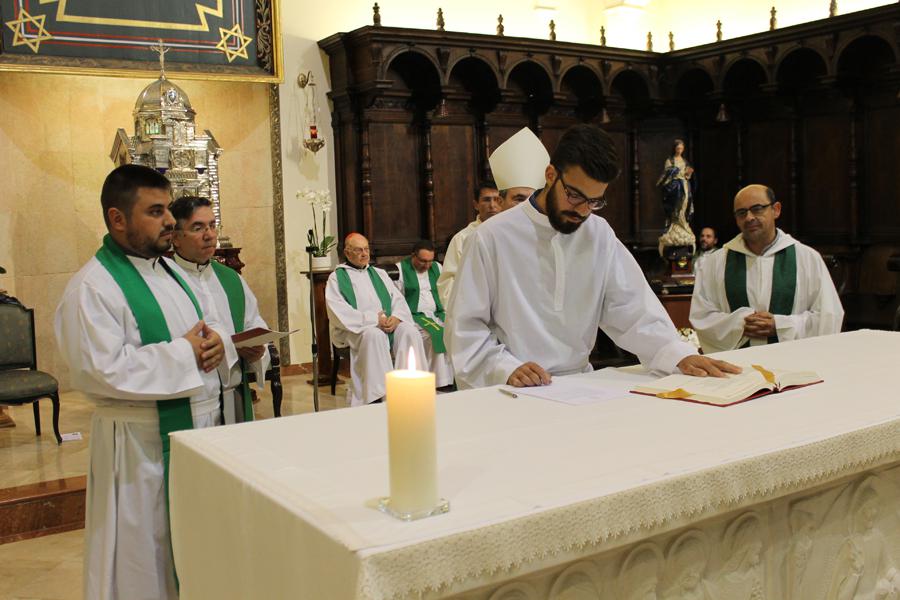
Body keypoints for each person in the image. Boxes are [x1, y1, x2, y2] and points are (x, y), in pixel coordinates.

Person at [54, 164, 237, 600]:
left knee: (195, 549)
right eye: (155, 211)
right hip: (139, 450)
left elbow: (205, 331)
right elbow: (100, 370)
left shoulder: (169, 271)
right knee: (146, 562)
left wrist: (219, 346)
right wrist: (186, 353)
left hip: (194, 436)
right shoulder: (92, 288)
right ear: (118, 219)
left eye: (167, 209)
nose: (169, 220)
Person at [446, 124, 738, 390]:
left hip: (579, 386)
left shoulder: (598, 234)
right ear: (550, 176)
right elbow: (466, 329)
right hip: (511, 389)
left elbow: (633, 310)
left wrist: (679, 355)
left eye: (594, 201)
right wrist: (505, 368)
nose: (583, 211)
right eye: (574, 195)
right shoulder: (491, 237)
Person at [690, 184, 844, 354]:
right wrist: (740, 324)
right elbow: (702, 316)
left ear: (776, 210)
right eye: (742, 213)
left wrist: (780, 326)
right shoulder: (715, 263)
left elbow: (828, 317)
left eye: (757, 209)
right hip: (737, 369)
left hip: (794, 363)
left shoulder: (807, 258)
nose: (749, 217)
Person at [170, 195, 270, 424]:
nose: (209, 235)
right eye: (198, 227)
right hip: (193, 403)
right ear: (175, 237)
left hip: (234, 395)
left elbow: (253, 321)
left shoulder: (231, 278)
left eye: (212, 226)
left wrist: (257, 348)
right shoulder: (166, 279)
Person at [325, 233, 426, 406]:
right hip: (355, 329)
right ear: (347, 253)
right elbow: (338, 311)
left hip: (386, 324)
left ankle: (410, 389)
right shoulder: (337, 277)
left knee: (409, 331)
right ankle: (378, 395)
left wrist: (397, 318)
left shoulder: (379, 273)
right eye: (358, 250)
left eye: (366, 249)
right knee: (374, 335)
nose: (364, 254)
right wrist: (373, 320)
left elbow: (397, 299)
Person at [395, 240, 454, 388]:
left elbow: (443, 291)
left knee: (455, 329)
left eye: (430, 261)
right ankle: (439, 380)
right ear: (413, 256)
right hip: (413, 316)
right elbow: (395, 297)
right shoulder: (401, 269)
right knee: (436, 334)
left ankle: (453, 377)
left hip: (437, 312)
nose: (427, 265)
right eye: (423, 261)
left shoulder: (437, 267)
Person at [436, 180, 501, 307]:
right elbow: (447, 283)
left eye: (497, 199)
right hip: (474, 308)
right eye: (486, 200)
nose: (492, 205)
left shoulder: (511, 234)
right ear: (476, 204)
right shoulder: (462, 238)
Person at [489, 127, 550, 211]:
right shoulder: (491, 225)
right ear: (500, 202)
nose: (529, 207)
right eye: (520, 199)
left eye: (534, 200)